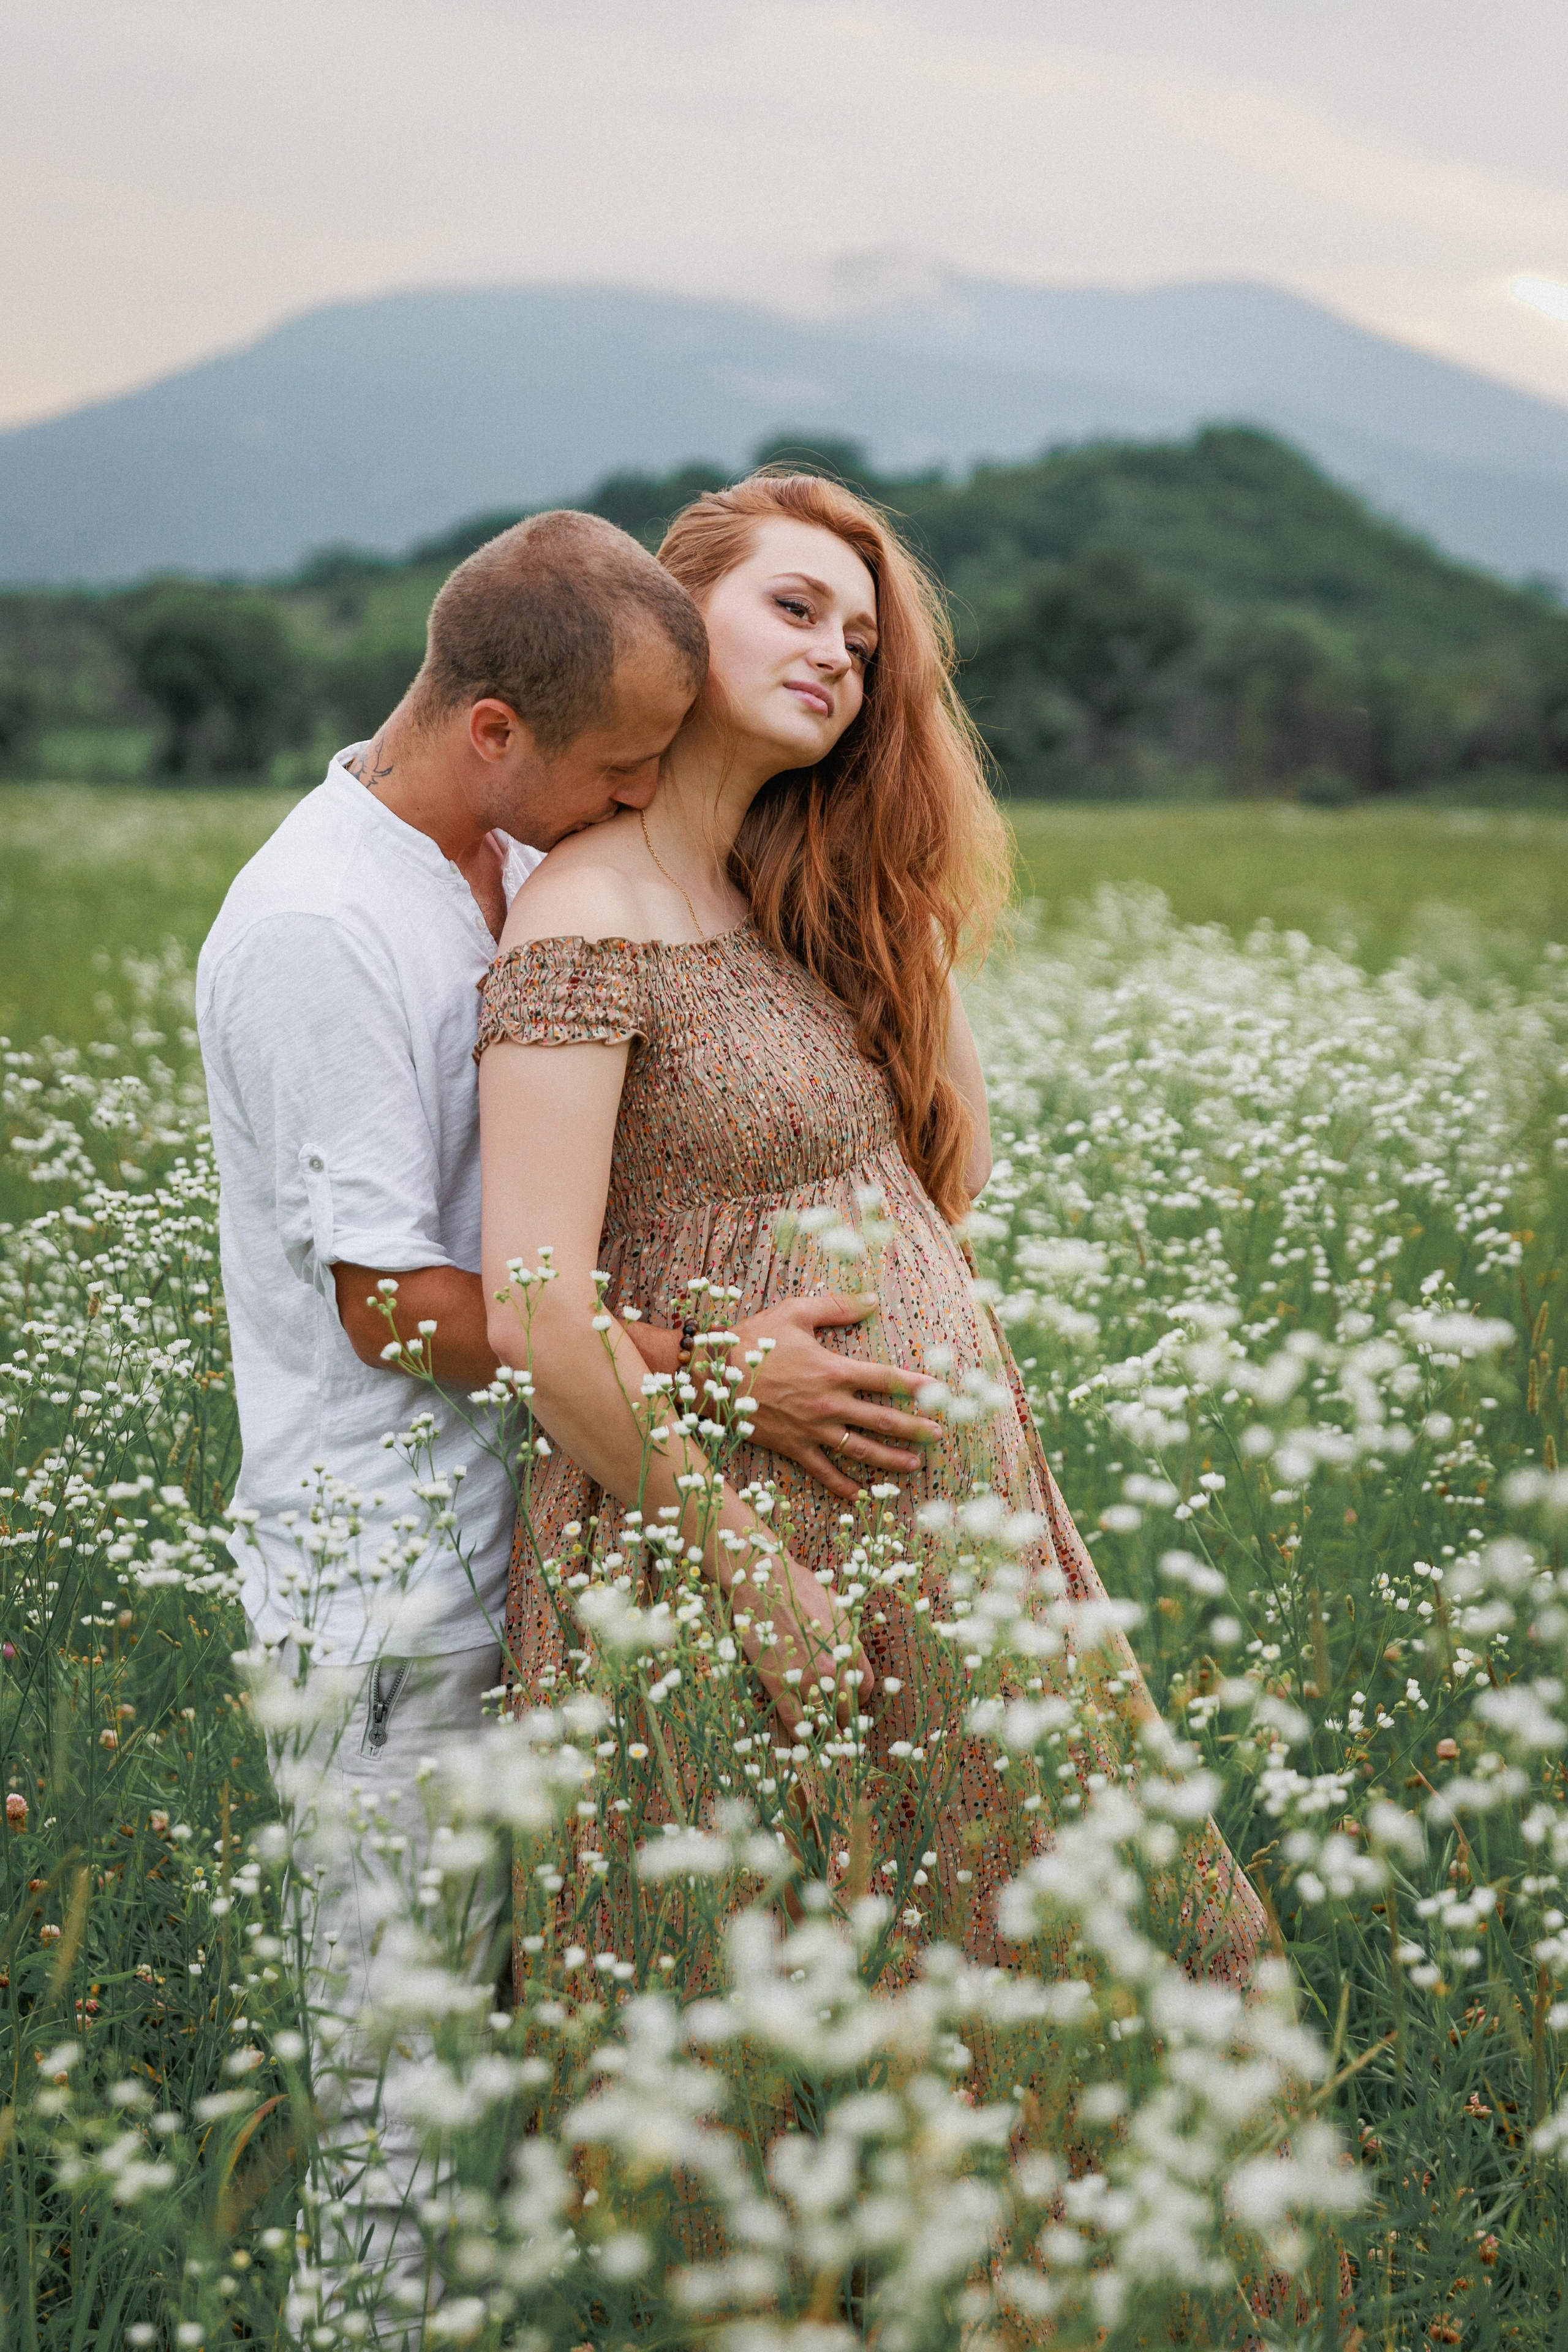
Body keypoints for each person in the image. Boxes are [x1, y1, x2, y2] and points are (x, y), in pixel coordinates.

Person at [195, 507, 946, 2321]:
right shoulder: (318, 925)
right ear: (493, 733)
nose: (635, 798)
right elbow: (389, 1306)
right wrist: (714, 1360)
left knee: (544, 2099)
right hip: (393, 1595)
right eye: (620, 767)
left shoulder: (502, 855)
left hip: (540, 1550)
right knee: (402, 2120)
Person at [477, 472, 1268, 2008]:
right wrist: (761, 1581)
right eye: (792, 608)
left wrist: (890, 902)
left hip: (942, 1535)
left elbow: (945, 1178)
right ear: (671, 618)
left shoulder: (801, 895)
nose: (834, 656)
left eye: (860, 643)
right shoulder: (584, 915)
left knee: (1031, 1965)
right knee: (792, 1995)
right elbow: (532, 1314)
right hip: (721, 1541)